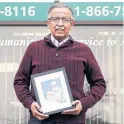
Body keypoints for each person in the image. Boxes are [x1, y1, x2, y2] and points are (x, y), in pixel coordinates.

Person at [14, 1, 106, 124]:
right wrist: (30, 104)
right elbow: (20, 81)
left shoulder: (84, 50)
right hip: (39, 120)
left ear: (72, 24)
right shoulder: (33, 48)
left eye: (65, 19)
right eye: (55, 19)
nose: (60, 24)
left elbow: (99, 84)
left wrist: (83, 104)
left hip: (74, 120)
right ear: (48, 23)